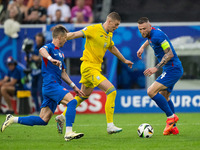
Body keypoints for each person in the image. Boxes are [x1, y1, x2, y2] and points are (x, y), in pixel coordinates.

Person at [1, 25, 85, 142]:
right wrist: (50, 59)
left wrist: (74, 87)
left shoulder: (60, 53)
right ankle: (69, 132)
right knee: (72, 102)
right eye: (65, 38)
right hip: (51, 85)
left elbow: (63, 73)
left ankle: (12, 119)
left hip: (51, 86)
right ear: (59, 37)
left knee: (43, 120)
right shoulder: (49, 47)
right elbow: (41, 50)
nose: (66, 40)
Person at [55, 12, 133, 134]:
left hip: (95, 68)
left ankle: (62, 116)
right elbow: (76, 34)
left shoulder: (109, 34)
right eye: (116, 24)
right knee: (111, 91)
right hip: (88, 67)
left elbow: (111, 47)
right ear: (109, 21)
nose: (117, 27)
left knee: (83, 96)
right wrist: (61, 38)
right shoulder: (93, 29)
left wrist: (124, 60)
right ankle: (110, 125)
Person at [137, 17, 183, 135]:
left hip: (173, 69)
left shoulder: (158, 35)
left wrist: (156, 67)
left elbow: (170, 53)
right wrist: (142, 47)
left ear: (149, 26)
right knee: (165, 97)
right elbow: (149, 40)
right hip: (170, 69)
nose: (142, 31)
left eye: (144, 29)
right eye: (140, 29)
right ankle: (173, 127)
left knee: (151, 91)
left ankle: (171, 118)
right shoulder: (151, 34)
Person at [29, 33, 45, 114]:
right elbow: (30, 58)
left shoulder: (45, 47)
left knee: (41, 91)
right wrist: (29, 59)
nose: (37, 41)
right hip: (34, 72)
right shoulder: (34, 48)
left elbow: (46, 59)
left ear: (42, 40)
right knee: (33, 92)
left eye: (39, 40)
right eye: (36, 40)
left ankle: (43, 110)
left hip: (41, 73)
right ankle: (37, 109)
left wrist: (37, 58)